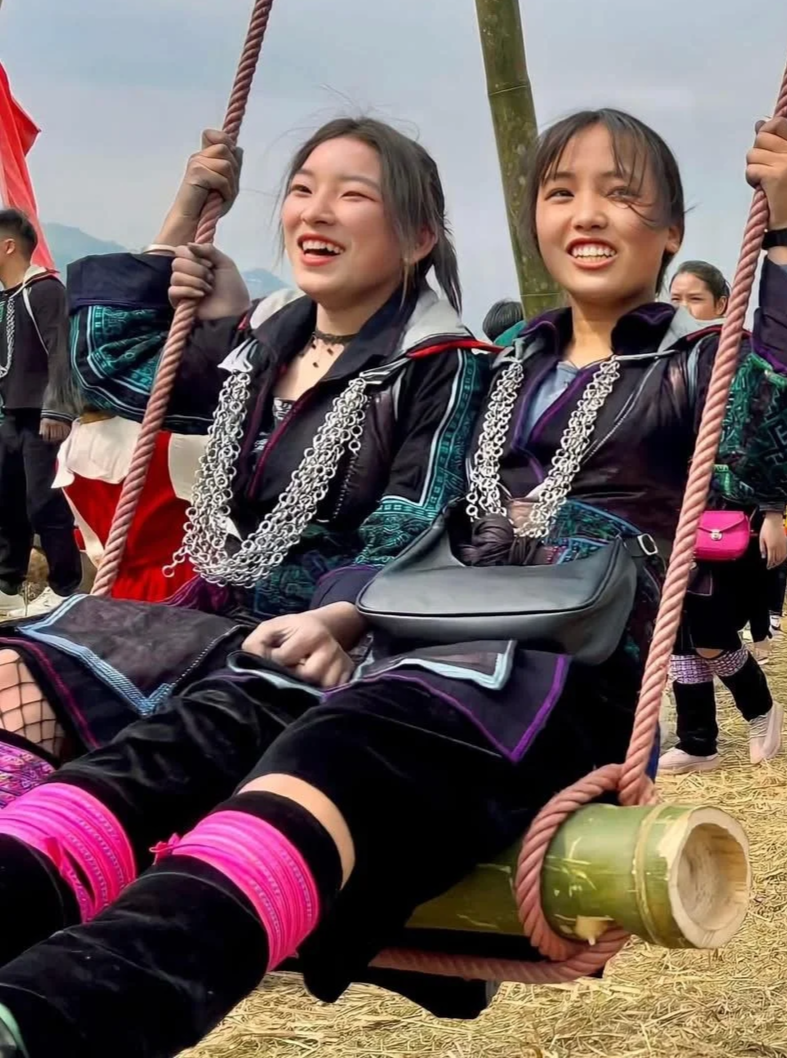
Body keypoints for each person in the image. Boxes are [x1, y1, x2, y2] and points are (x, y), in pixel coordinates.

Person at [0, 108, 787, 1058]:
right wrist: (346, 613)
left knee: (338, 747)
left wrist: (786, 236)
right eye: (561, 192)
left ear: (671, 232)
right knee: (232, 716)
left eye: (621, 195)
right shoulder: (497, 370)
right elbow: (410, 520)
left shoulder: (697, 366)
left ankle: (54, 1017)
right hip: (416, 641)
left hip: (566, 669)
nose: (587, 214)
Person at [0, 119, 490, 784]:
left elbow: (414, 530)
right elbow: (108, 365)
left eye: (352, 195)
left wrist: (339, 618)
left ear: (419, 238)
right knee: (15, 671)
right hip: (217, 615)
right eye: (302, 189)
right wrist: (184, 217)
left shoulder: (445, 364)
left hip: (334, 643)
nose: (315, 211)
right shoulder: (262, 343)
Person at [659, 260, 787, 775]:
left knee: (711, 628)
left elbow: (772, 440)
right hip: (672, 515)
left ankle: (761, 709)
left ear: (721, 303)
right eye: (674, 299)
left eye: (694, 299)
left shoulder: (746, 357)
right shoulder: (664, 359)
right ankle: (698, 741)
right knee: (678, 634)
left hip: (729, 515)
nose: (682, 309)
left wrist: (774, 513)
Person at [0, 209, 81, 619]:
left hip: (41, 418)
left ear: (8, 246)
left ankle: (66, 588)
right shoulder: (4, 299)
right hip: (8, 417)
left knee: (43, 504)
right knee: (6, 502)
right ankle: (7, 586)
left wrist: (58, 410)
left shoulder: (45, 290)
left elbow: (60, 352)